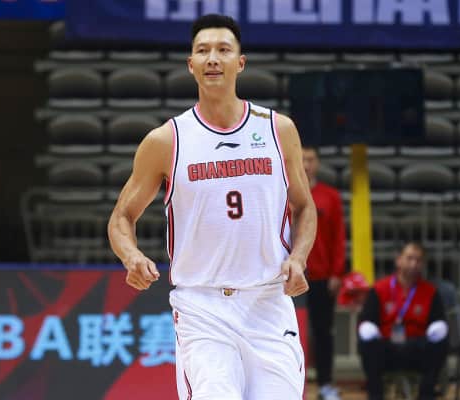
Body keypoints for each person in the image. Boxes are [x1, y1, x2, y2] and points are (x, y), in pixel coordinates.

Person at [107, 14, 317, 400]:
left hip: (268, 302)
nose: (213, 58)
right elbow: (122, 215)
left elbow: (304, 207)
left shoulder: (278, 130)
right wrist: (131, 255)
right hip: (203, 307)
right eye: (203, 51)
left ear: (241, 62)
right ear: (191, 64)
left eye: (223, 50)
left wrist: (299, 258)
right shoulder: (166, 140)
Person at [357, 242, 448, 400]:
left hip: (417, 348)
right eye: (409, 258)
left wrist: (438, 329)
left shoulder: (431, 292)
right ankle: (375, 396)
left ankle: (426, 395)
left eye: (418, 260)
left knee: (440, 342)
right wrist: (368, 329)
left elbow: (439, 322)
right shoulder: (379, 289)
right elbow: (367, 320)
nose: (414, 264)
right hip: (387, 348)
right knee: (367, 342)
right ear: (398, 260)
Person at [302, 145, 346, 400]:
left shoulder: (330, 196)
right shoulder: (284, 191)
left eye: (311, 159)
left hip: (321, 277)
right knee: (287, 331)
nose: (306, 164)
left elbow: (339, 236)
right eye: (302, 159)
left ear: (317, 163)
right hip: (290, 277)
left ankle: (326, 384)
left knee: (323, 333)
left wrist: (337, 273)